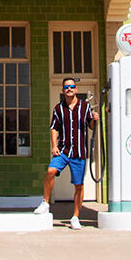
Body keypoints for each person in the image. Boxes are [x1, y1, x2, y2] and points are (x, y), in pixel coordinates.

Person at [35, 77, 95, 229]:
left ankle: (75, 216)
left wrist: (95, 119)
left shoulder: (85, 106)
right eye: (66, 87)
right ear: (63, 90)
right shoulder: (58, 108)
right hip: (63, 150)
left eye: (72, 86)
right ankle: (45, 202)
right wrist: (54, 145)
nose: (69, 89)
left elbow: (91, 126)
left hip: (79, 152)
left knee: (79, 185)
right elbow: (54, 128)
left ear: (76, 90)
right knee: (50, 171)